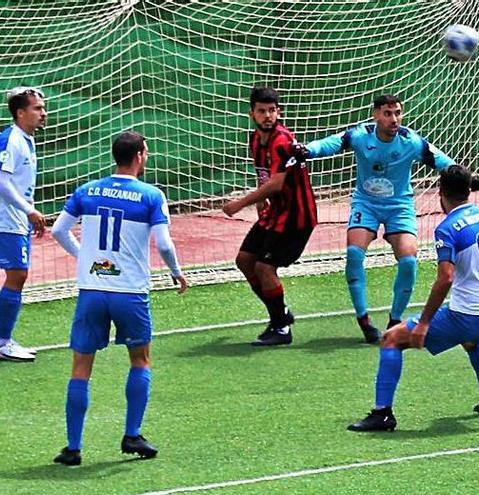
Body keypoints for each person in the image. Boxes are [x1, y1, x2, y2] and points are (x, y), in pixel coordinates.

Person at [348, 165, 479, 431]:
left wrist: (423, 323)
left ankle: (382, 414)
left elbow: (445, 278)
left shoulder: (447, 229)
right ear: (469, 191)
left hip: (469, 316)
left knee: (391, 339)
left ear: (440, 193)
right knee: (472, 341)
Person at [295, 94, 479, 343]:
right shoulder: (360, 136)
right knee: (355, 254)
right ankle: (364, 319)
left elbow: (440, 160)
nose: (394, 119)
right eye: (387, 113)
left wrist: (468, 179)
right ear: (376, 115)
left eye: (397, 113)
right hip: (366, 203)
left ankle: (395, 320)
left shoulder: (411, 141)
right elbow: (332, 143)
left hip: (399, 205)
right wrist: (308, 150)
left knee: (409, 261)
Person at [50, 131, 188, 466]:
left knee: (81, 366)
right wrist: (176, 272)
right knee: (140, 359)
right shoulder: (151, 195)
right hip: (129, 292)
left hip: (92, 290)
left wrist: (83, 255)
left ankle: (72, 447)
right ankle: (132, 435)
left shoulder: (86, 191)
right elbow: (165, 244)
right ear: (140, 155)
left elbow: (57, 230)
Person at [222, 87, 317, 346]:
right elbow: (263, 174)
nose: (267, 115)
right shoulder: (255, 138)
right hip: (276, 212)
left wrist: (239, 204)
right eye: (262, 111)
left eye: (272, 110)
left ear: (279, 112)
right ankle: (281, 314)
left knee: (264, 267)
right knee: (244, 260)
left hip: (297, 216)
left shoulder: (282, 141)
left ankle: (281, 328)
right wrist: (261, 200)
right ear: (252, 113)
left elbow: (276, 184)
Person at [0, 87, 47, 362]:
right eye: (37, 109)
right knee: (17, 274)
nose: (43, 113)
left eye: (42, 108)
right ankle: (3, 341)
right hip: (7, 220)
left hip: (14, 220)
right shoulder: (12, 141)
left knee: (17, 274)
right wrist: (30, 211)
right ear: (20, 113)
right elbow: (2, 182)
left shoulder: (24, 139)